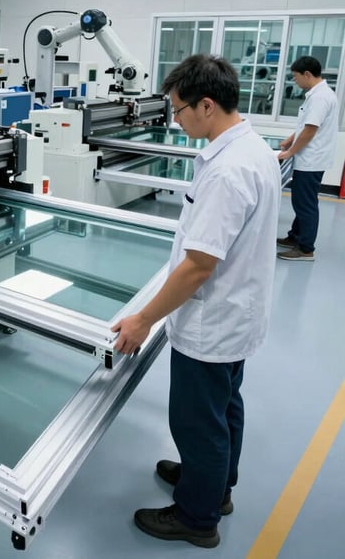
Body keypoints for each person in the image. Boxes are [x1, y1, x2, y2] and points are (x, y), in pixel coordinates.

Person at [111, 54, 281, 549]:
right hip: (238, 314)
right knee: (225, 408)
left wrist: (143, 319)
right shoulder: (253, 148)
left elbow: (198, 266)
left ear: (207, 105)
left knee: (197, 420)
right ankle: (215, 485)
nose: (176, 118)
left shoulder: (228, 172)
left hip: (213, 321)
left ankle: (196, 516)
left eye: (179, 109)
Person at [276, 55, 337, 261]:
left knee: (305, 203)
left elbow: (311, 130)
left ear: (307, 74)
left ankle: (305, 249)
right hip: (310, 157)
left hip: (311, 160)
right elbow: (305, 126)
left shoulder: (320, 97)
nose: (295, 80)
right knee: (302, 200)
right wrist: (289, 140)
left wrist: (290, 152)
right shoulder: (318, 94)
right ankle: (295, 237)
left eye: (295, 76)